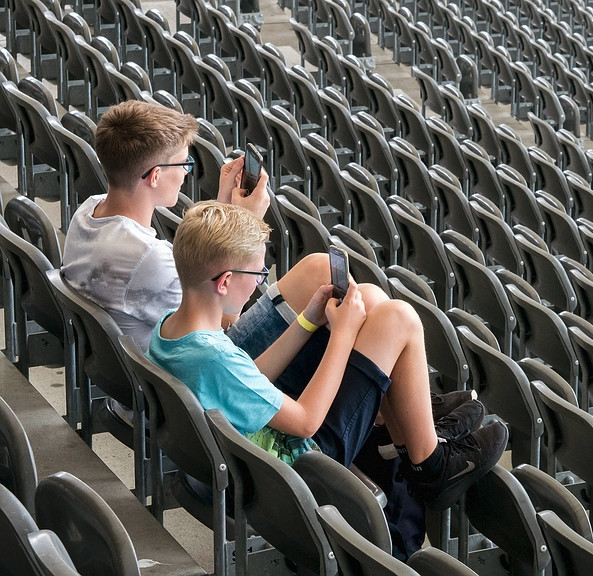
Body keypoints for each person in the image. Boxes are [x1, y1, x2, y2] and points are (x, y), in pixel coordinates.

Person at [60, 101, 504, 517]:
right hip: (287, 461)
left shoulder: (89, 217)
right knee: (396, 316)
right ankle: (428, 459)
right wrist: (247, 222)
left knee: (333, 282)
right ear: (155, 175)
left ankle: (404, 419)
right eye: (183, 165)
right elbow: (227, 315)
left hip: (211, 397)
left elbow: (208, 283)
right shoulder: (152, 266)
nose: (187, 173)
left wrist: (230, 217)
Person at [147, 201, 507, 508]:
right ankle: (432, 466)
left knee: (373, 303)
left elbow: (250, 376)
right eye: (257, 274)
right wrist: (343, 335)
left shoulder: (173, 331)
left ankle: (415, 430)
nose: (260, 281)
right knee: (400, 318)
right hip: (298, 467)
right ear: (224, 282)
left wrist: (307, 322)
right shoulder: (214, 357)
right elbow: (306, 422)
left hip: (258, 461)